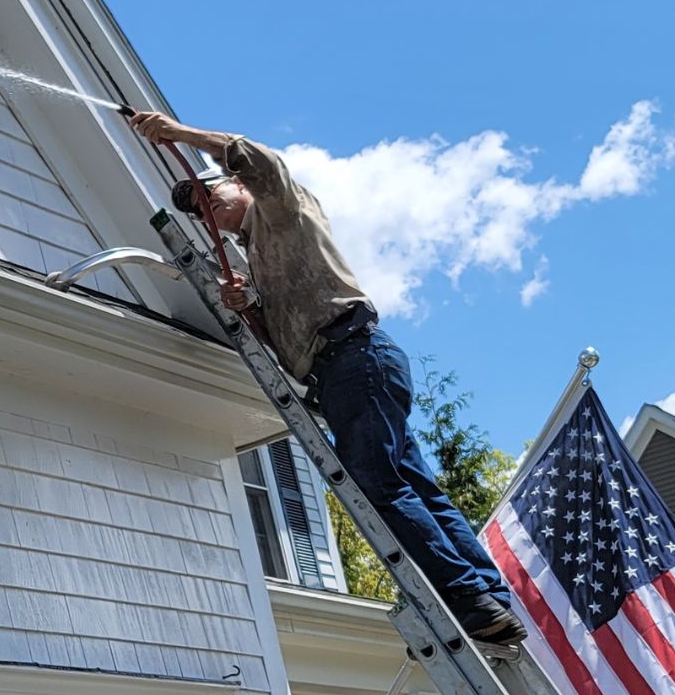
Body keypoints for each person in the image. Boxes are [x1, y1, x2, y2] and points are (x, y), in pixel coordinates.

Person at [128, 111, 527, 645]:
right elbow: (285, 343)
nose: (205, 210)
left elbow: (259, 160)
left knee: (377, 483)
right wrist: (250, 308)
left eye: (209, 194)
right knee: (414, 487)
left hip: (355, 358)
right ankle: (488, 597)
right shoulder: (257, 257)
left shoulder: (280, 210)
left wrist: (179, 134)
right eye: (199, 212)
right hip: (348, 368)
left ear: (238, 185)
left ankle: (467, 597)